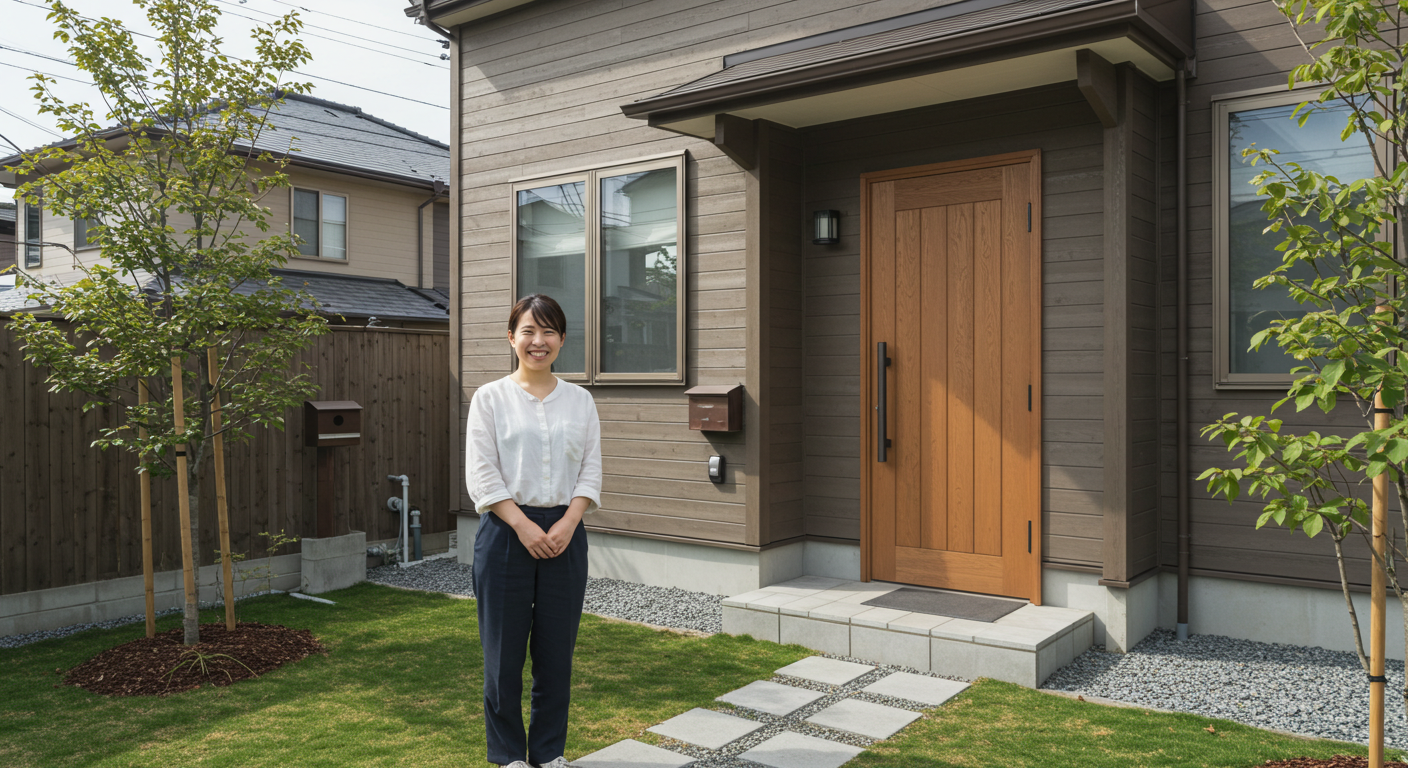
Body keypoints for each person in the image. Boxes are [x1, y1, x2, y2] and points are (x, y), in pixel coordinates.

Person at [465, 293, 601, 768]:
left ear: (562, 339)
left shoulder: (580, 400)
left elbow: (591, 469)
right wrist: (522, 526)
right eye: (528, 331)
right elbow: (482, 474)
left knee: (555, 653)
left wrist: (568, 521)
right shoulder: (490, 398)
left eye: (548, 332)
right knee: (502, 656)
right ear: (511, 337)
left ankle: (548, 754)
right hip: (505, 532)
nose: (537, 341)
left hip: (566, 532)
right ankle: (507, 757)